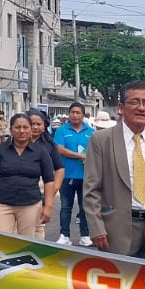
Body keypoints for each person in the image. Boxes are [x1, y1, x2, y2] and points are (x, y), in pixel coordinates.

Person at [84, 80, 145, 258]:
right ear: (121, 107)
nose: (141, 108)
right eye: (134, 102)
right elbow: (91, 190)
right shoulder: (101, 140)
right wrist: (96, 228)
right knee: (117, 276)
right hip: (115, 232)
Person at [0, 113, 55, 236]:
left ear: (30, 130)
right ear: (11, 129)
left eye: (25, 127)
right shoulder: (0, 150)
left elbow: (49, 181)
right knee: (0, 239)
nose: (22, 131)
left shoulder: (41, 152)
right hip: (3, 203)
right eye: (17, 127)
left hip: (30, 204)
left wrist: (48, 206)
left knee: (26, 242)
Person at [54, 102, 95, 247]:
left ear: (83, 115)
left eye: (78, 112)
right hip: (66, 175)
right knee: (66, 207)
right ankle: (64, 235)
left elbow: (96, 151)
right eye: (72, 112)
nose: (75, 115)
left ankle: (85, 235)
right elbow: (60, 149)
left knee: (85, 208)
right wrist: (81, 156)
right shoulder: (62, 131)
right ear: (69, 114)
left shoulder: (91, 132)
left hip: (86, 176)